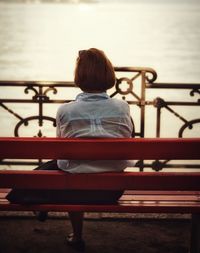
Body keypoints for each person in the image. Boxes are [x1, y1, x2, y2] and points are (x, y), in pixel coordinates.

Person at [6, 48, 134, 251]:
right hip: (111, 190)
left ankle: (71, 230)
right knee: (74, 168)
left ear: (79, 77)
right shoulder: (122, 107)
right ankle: (75, 235)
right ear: (108, 75)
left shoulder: (66, 110)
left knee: (37, 180)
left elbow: (62, 153)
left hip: (73, 188)